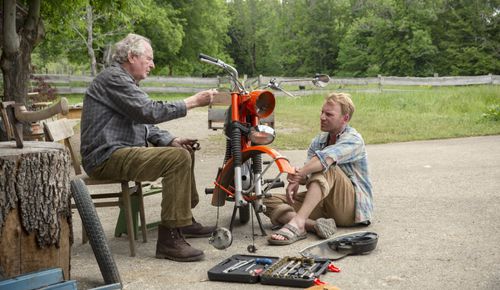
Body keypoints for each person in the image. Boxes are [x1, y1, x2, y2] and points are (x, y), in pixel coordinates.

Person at [80, 33, 217, 262]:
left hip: (120, 153)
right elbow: (149, 111)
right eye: (149, 59)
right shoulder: (114, 79)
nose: (152, 64)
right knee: (178, 158)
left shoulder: (124, 81)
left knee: (183, 151)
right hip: (105, 158)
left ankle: (183, 220)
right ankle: (169, 241)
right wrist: (193, 101)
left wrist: (170, 140)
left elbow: (143, 122)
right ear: (132, 57)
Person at [264, 92, 373, 245]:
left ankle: (298, 223)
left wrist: (300, 174)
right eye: (322, 112)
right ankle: (315, 225)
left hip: (349, 209)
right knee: (267, 201)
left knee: (327, 165)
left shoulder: (354, 140)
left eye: (329, 114)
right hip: (323, 204)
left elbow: (323, 161)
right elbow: (308, 174)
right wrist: (298, 178)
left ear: (345, 118)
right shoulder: (319, 141)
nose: (322, 117)